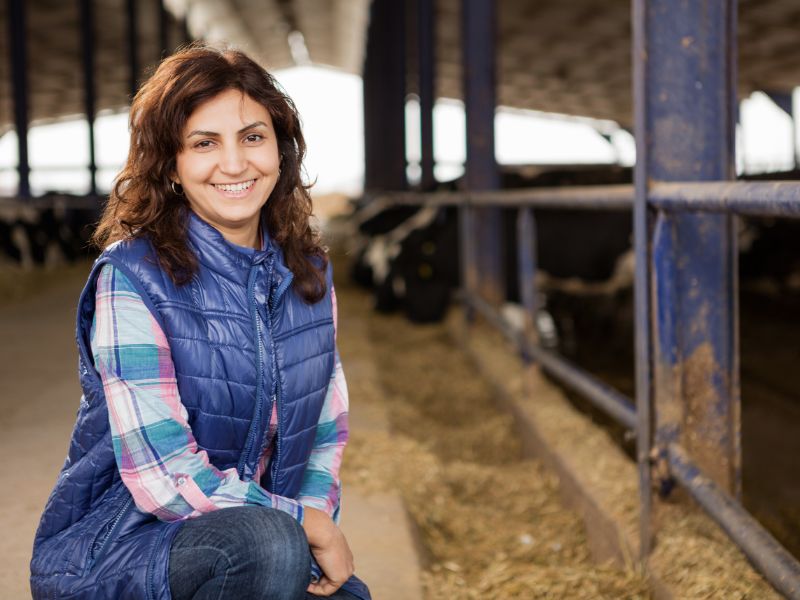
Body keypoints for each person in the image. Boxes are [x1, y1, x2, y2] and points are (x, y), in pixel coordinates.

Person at [30, 43, 370, 600]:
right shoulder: (132, 277)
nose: (234, 164)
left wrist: (315, 515)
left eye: (252, 137)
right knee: (268, 546)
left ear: (281, 151)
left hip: (261, 541)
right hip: (120, 550)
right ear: (170, 165)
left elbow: (325, 432)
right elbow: (164, 475)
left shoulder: (309, 274)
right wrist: (304, 526)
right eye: (204, 143)